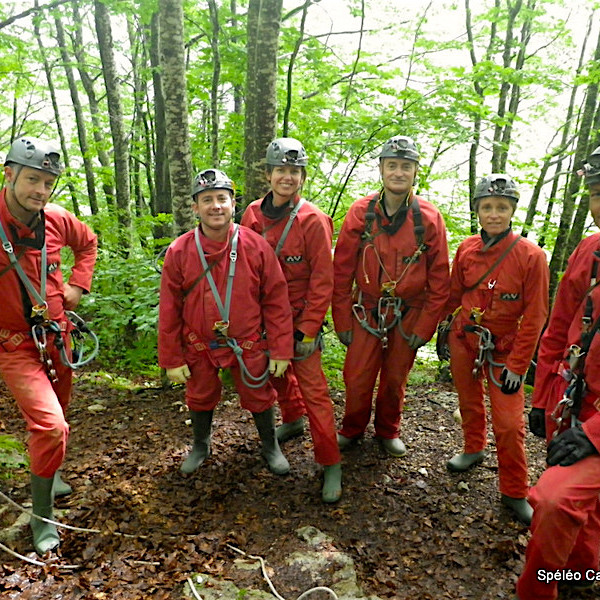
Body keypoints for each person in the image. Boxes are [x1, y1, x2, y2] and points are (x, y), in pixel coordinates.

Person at [158, 168, 294, 479]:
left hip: (248, 342)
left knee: (259, 393)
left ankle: (270, 445)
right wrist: (171, 358)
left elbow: (276, 300)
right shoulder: (180, 250)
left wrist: (281, 350)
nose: (215, 206)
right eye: (207, 200)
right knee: (200, 394)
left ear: (234, 204)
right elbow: (169, 308)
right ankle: (201, 445)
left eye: (222, 199)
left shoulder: (255, 246)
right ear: (195, 207)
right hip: (199, 343)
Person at [0, 136, 97, 554]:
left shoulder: (57, 218)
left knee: (60, 414)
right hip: (15, 345)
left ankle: (51, 473)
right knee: (51, 424)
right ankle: (42, 518)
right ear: (9, 175)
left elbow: (88, 244)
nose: (40, 190)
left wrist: (79, 284)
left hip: (58, 337)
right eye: (33, 180)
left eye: (47, 183)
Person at [515, 148, 600, 600]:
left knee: (553, 499)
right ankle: (582, 573)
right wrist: (542, 397)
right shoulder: (591, 249)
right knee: (582, 510)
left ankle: (538, 590)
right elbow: (559, 327)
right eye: (595, 194)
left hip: (595, 424)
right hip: (573, 401)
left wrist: (594, 435)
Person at [332, 135, 450, 457]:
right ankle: (352, 428)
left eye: (406, 167)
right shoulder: (360, 213)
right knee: (357, 376)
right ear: (382, 170)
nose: (398, 173)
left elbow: (441, 279)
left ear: (415, 172)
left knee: (395, 377)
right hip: (366, 309)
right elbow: (341, 270)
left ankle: (388, 430)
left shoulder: (428, 218)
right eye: (392, 166)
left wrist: (425, 327)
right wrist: (341, 318)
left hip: (410, 311)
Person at [443, 174, 549, 525]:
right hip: (465, 339)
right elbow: (454, 293)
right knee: (468, 401)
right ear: (477, 210)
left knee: (508, 423)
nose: (493, 214)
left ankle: (515, 489)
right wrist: (435, 326)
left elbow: (535, 315)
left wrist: (518, 366)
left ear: (512, 211)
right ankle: (473, 447)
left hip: (505, 349)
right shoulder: (466, 249)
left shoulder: (530, 257)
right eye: (487, 207)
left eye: (501, 207)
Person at [241, 137, 342, 503]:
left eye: (294, 172)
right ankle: (292, 418)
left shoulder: (313, 220)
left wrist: (310, 327)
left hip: (300, 318)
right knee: (274, 376)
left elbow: (323, 279)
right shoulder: (252, 213)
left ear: (302, 177)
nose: (287, 177)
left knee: (315, 392)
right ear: (268, 174)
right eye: (281, 170)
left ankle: (331, 462)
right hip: (265, 317)